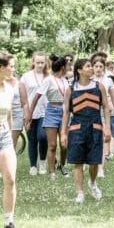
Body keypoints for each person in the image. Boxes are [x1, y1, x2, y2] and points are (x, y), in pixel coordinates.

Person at [61, 58, 111, 203]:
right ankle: (80, 193)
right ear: (79, 70)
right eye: (88, 66)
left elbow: (106, 107)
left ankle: (92, 183)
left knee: (94, 161)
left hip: (95, 127)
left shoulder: (99, 86)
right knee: (78, 162)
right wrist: (64, 133)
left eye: (91, 66)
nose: (92, 69)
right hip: (77, 128)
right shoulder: (70, 89)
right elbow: (66, 112)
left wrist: (107, 128)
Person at [30, 54, 69, 179]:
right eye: (67, 66)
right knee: (52, 145)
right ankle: (52, 172)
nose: (68, 68)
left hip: (64, 112)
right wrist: (30, 114)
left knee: (64, 144)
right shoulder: (48, 80)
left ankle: (62, 165)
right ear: (63, 67)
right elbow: (37, 96)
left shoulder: (65, 80)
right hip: (51, 111)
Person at [20, 52, 49, 176]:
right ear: (33, 62)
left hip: (45, 111)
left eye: (42, 62)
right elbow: (23, 96)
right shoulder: (26, 77)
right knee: (32, 140)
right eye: (38, 62)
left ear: (46, 63)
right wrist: (25, 114)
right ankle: (33, 166)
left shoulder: (49, 77)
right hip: (29, 112)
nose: (40, 65)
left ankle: (42, 162)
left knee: (43, 137)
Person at [91, 56, 114, 177]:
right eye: (96, 66)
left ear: (104, 68)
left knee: (102, 140)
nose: (98, 69)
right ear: (92, 67)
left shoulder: (108, 81)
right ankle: (90, 162)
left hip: (104, 112)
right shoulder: (88, 79)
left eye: (100, 67)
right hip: (90, 112)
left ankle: (101, 168)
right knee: (91, 140)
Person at [0, 53, 17, 228]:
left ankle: (9, 221)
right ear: (1, 68)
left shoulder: (10, 89)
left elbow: (9, 116)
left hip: (4, 137)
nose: (13, 69)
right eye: (11, 66)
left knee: (10, 178)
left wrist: (11, 138)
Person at [6, 56, 29, 151]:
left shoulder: (19, 83)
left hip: (16, 116)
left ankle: (9, 165)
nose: (13, 69)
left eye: (14, 66)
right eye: (11, 66)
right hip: (2, 115)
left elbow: (24, 102)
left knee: (11, 145)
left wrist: (26, 118)